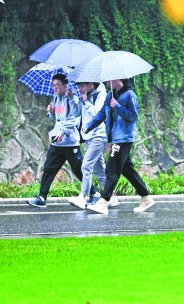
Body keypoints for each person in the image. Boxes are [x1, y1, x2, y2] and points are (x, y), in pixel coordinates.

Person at [82, 78, 155, 215]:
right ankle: (146, 197)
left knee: (111, 169)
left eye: (111, 79)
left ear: (119, 79)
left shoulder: (129, 95)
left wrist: (118, 107)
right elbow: (102, 114)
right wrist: (89, 126)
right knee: (127, 170)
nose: (108, 81)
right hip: (115, 137)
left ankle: (103, 202)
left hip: (124, 137)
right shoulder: (110, 95)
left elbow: (133, 116)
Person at [27, 73, 98, 208]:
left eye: (57, 85)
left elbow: (73, 118)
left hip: (70, 142)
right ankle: (42, 197)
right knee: (49, 168)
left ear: (65, 85)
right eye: (53, 85)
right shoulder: (55, 98)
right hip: (57, 141)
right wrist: (51, 112)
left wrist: (63, 132)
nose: (55, 88)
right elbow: (58, 119)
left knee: (78, 170)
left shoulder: (73, 99)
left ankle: (94, 193)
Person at [68, 82, 119, 209]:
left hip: (98, 135)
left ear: (90, 84)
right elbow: (76, 114)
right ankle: (111, 196)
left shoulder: (101, 94)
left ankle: (82, 197)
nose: (80, 88)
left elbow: (98, 113)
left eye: (82, 86)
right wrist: (71, 98)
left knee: (86, 166)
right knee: (99, 170)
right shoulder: (85, 94)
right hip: (88, 136)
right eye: (78, 86)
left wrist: (86, 101)